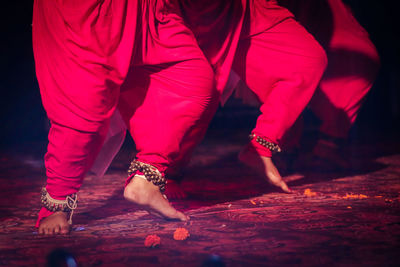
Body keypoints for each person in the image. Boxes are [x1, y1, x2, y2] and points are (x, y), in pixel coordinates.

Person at [33, 0, 216, 235]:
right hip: (88, 10)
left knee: (191, 76)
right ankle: (56, 202)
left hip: (144, 8)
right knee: (83, 109)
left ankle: (147, 178)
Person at [162, 0, 327, 197]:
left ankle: (260, 146)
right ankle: (165, 172)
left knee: (308, 58)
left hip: (248, 8)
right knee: (199, 93)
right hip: (199, 10)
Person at [277, 0, 380, 170]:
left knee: (294, 85)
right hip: (303, 30)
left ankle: (322, 146)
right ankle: (290, 148)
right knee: (289, 81)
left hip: (329, 35)